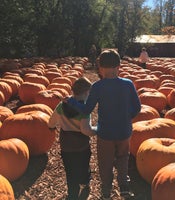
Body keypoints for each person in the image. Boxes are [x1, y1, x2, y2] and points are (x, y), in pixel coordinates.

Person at [67, 49, 141, 200]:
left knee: (105, 161)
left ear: (100, 68)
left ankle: (106, 189)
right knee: (123, 158)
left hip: (105, 133)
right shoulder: (128, 84)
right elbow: (137, 107)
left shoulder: (97, 86)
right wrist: (127, 118)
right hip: (124, 131)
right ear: (119, 66)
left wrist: (72, 102)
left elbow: (87, 109)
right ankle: (124, 186)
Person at [48, 77, 96, 200]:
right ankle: (85, 181)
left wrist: (51, 127)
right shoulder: (85, 110)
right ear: (86, 93)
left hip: (66, 145)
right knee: (83, 164)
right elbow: (86, 130)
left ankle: (72, 193)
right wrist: (95, 130)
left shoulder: (61, 105)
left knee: (70, 168)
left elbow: (52, 122)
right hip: (81, 145)